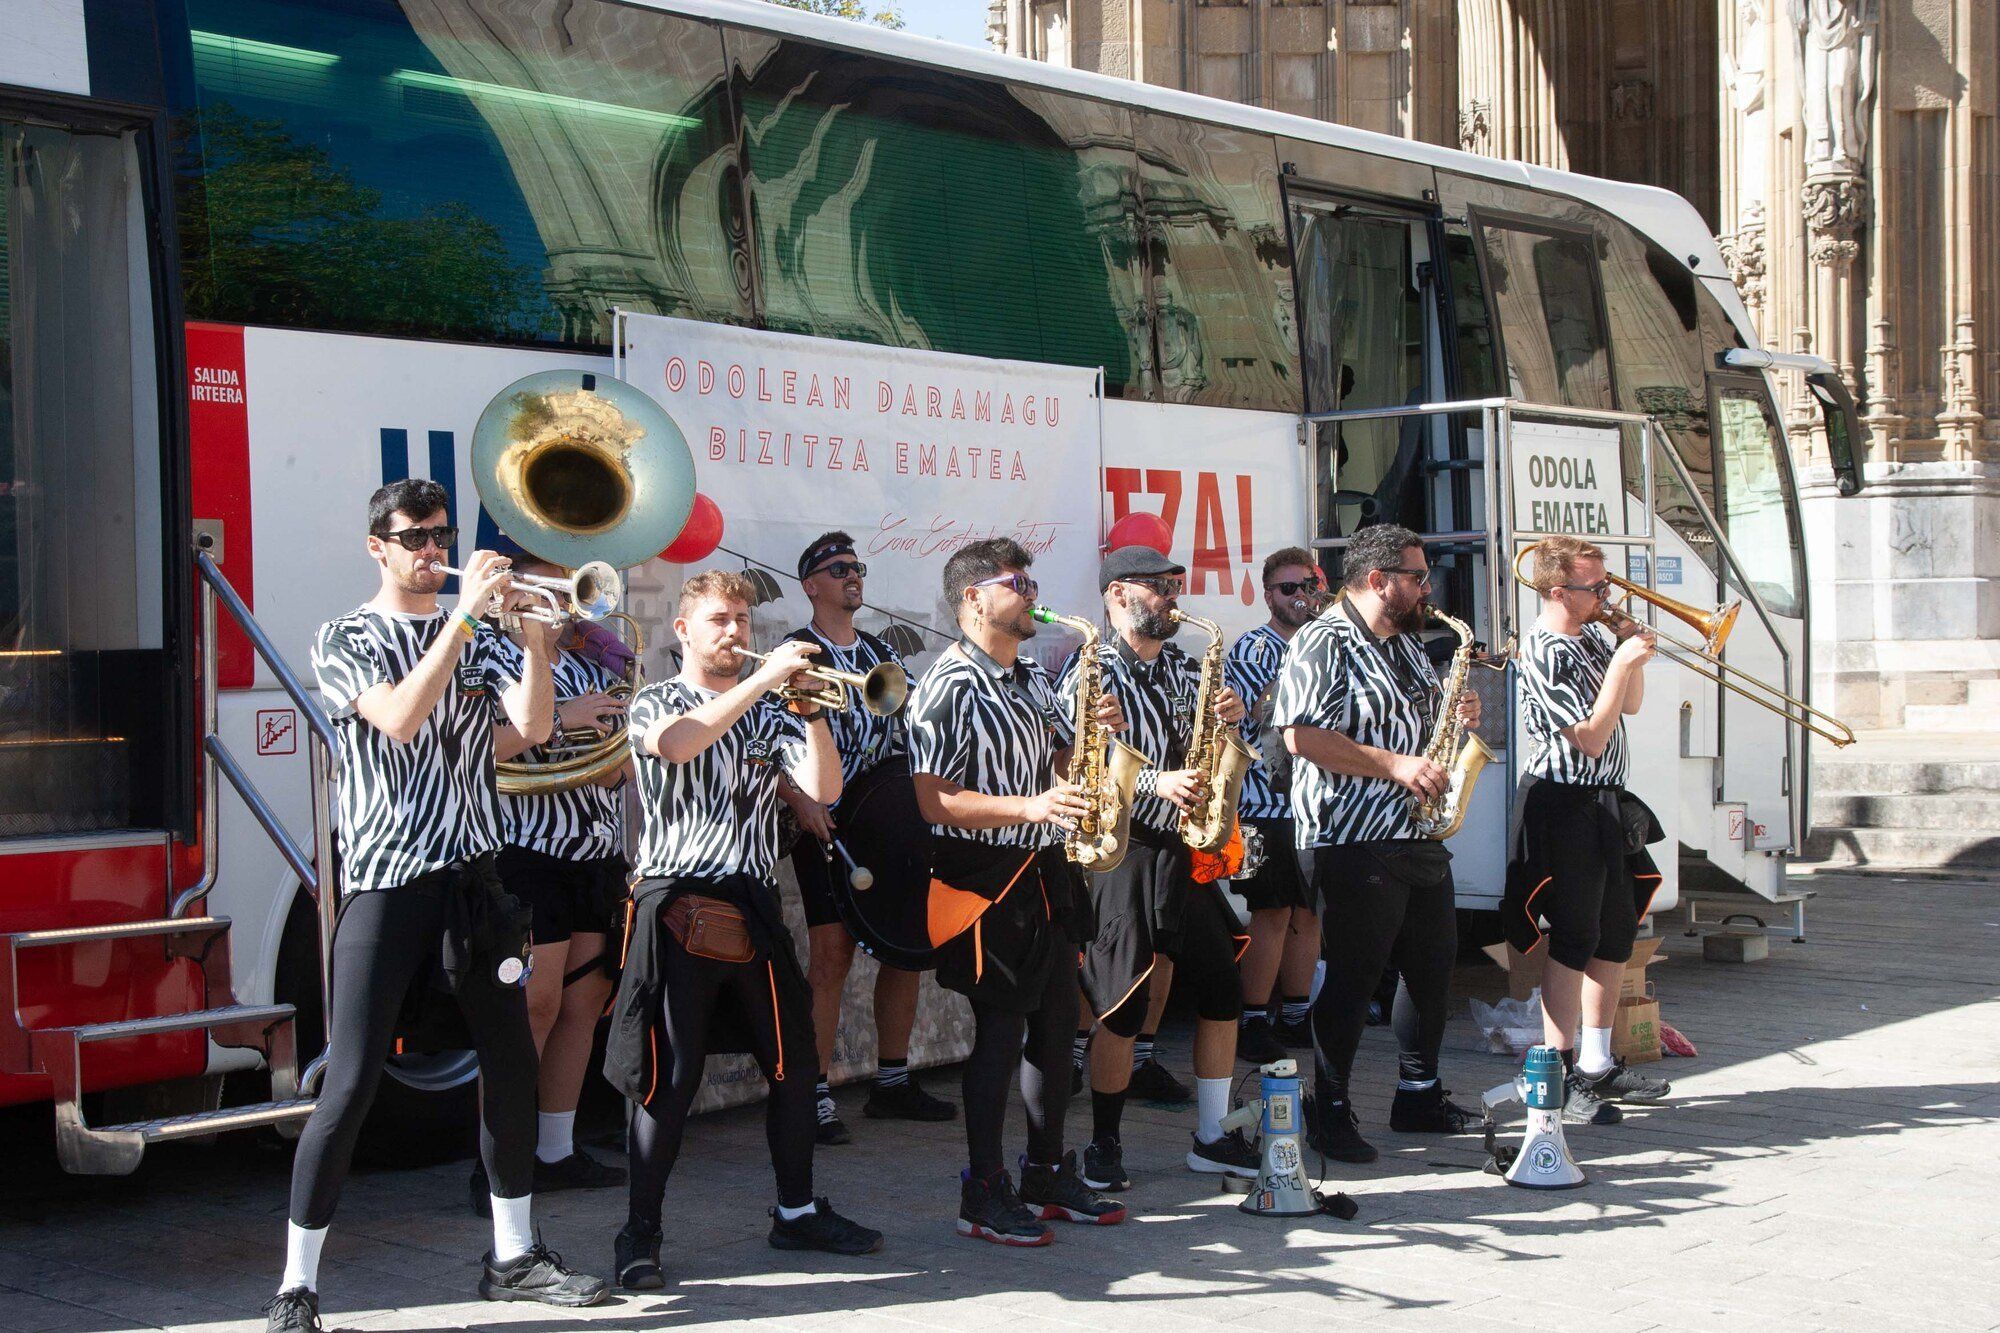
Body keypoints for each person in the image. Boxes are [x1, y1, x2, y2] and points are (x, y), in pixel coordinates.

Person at [268, 480, 603, 1333]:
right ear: (377, 546)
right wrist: (465, 617)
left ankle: (515, 1257)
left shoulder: (479, 635)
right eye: (414, 535)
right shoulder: (345, 634)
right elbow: (402, 717)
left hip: (474, 879)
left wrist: (532, 639)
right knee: (349, 1083)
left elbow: (527, 729)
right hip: (388, 878)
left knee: (509, 1062)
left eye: (440, 532)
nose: (431, 547)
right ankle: (296, 1286)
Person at [604, 571, 881, 1290]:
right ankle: (640, 1231)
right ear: (684, 630)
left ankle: (795, 1211)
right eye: (720, 620)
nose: (735, 632)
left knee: (795, 1067)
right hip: (678, 906)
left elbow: (825, 790)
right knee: (670, 1081)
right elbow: (679, 744)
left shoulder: (771, 709)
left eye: (744, 621)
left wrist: (811, 707)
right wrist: (762, 688)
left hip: (753, 903)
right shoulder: (655, 699)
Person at [908, 538, 1126, 1246]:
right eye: (1017, 582)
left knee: (1058, 1024)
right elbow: (934, 801)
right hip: (981, 877)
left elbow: (1061, 760)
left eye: (1032, 580)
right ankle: (981, 1187)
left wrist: (1092, 738)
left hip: (1043, 870)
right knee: (999, 1033)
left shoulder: (1030, 676)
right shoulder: (948, 684)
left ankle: (1042, 1169)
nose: (1033, 592)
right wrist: (1028, 807)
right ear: (974, 597)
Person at [1270, 523, 1481, 1165]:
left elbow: (1419, 720)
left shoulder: (1407, 646)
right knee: (1356, 977)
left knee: (1432, 961)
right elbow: (1300, 736)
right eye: (1416, 577)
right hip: (1348, 831)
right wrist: (1395, 765)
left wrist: (1455, 711)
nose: (1427, 588)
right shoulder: (1321, 641)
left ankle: (1418, 1092)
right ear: (1377, 579)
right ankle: (1327, 1104)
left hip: (1412, 828)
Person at [1059, 546, 1257, 1192]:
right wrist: (1155, 781)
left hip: (1182, 848)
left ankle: (1212, 1136)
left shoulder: (1182, 666)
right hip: (1122, 847)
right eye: (1160, 587)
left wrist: (1228, 721)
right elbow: (1078, 768)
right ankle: (1103, 1144)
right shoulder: (1089, 671)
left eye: (1176, 585)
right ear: (1118, 595)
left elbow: (1203, 743)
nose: (1175, 597)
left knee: (1223, 984)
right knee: (1121, 1002)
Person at [466, 539, 630, 1213]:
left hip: (593, 846)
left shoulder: (592, 656)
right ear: (506, 588)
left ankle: (556, 1150)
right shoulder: (487, 653)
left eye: (564, 581)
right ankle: (498, 1165)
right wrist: (568, 716)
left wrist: (614, 738)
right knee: (529, 1008)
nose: (559, 595)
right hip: (526, 847)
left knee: (583, 1005)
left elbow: (617, 760)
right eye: (543, 582)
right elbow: (479, 741)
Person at [778, 531, 954, 1144]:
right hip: (826, 819)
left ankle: (893, 1081)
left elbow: (911, 730)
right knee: (831, 956)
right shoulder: (795, 652)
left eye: (857, 568)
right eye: (838, 569)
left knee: (905, 944)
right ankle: (814, 1092)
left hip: (888, 816)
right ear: (811, 585)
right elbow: (764, 743)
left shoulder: (881, 651)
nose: (853, 577)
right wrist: (798, 798)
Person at [1510, 536, 1672, 1121]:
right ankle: (1558, 1066)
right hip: (1564, 801)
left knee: (1616, 932)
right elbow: (1590, 735)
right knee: (1574, 937)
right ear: (1559, 592)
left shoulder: (1589, 636)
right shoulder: (1543, 647)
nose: (1607, 595)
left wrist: (1629, 655)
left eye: (1606, 583)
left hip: (1604, 799)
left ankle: (1598, 1064)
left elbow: (1628, 707)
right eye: (1595, 587)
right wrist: (1622, 662)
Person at [1224, 547, 1326, 1064]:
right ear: (1269, 595)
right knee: (1272, 913)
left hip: (1316, 803)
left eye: (1309, 586)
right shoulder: (1252, 648)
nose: (1301, 596)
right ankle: (1253, 1019)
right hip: (1264, 803)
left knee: (1309, 915)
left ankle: (1295, 1012)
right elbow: (1244, 725)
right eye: (1290, 588)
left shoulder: (1327, 642)